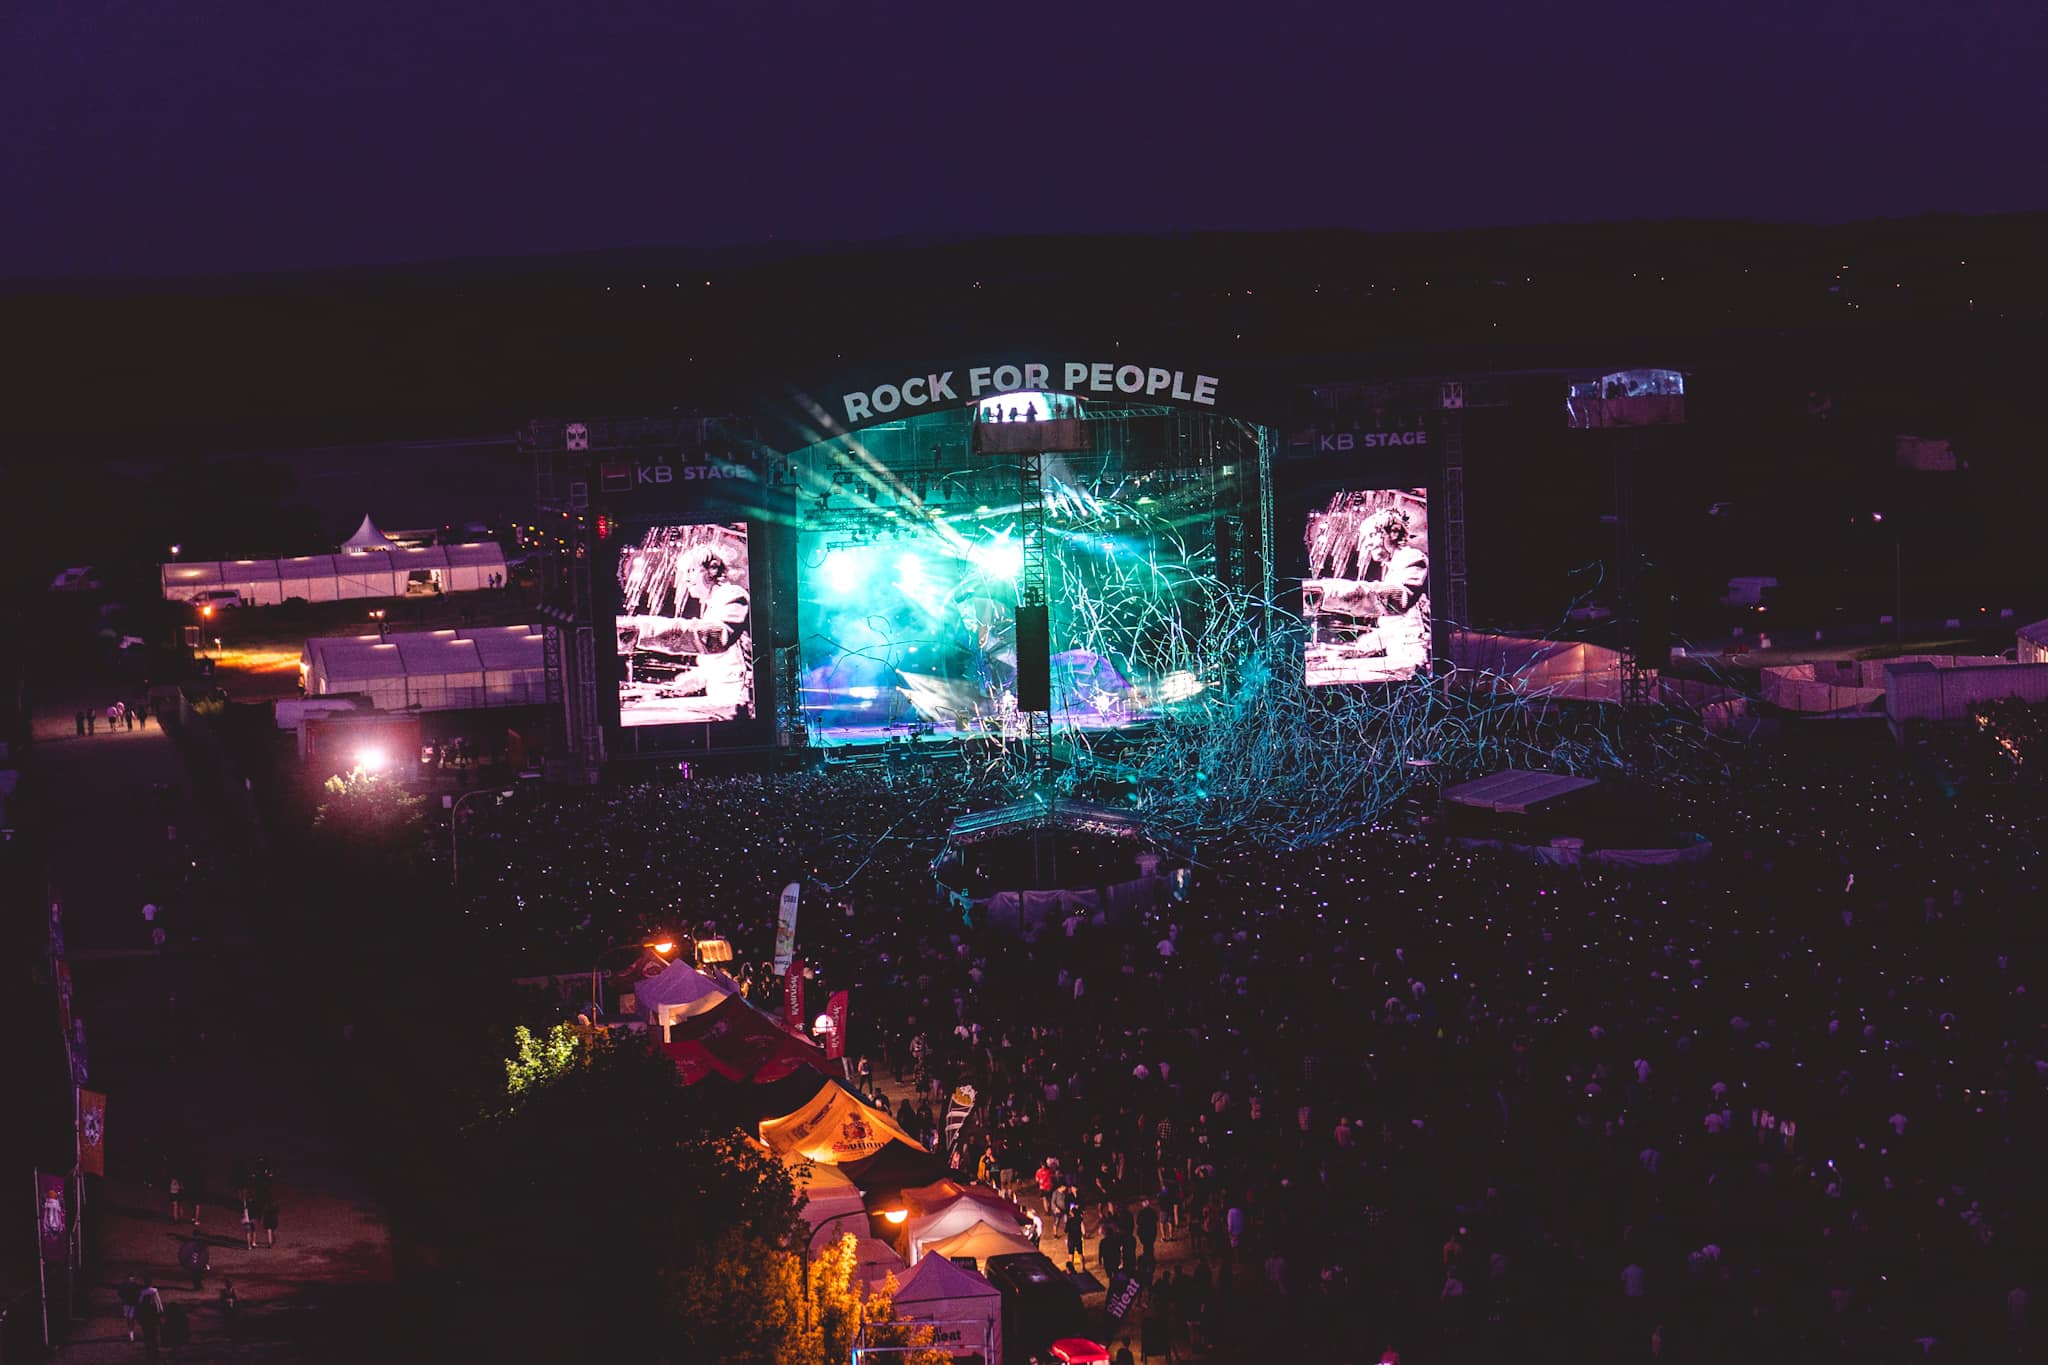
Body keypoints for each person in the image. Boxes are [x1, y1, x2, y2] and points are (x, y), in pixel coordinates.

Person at [137, 1278, 165, 1360]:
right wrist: (161, 1311)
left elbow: (139, 1303)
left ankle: (148, 1352)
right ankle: (155, 1352)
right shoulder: (154, 1291)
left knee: (147, 1336)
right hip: (153, 1319)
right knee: (154, 1335)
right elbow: (158, 1302)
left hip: (146, 1320)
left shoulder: (143, 1292)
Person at [179, 1223, 209, 1290]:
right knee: (197, 1274)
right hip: (197, 1260)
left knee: (196, 1274)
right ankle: (198, 1286)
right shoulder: (198, 1242)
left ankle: (198, 1286)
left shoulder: (193, 1242)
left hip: (195, 1260)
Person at [118, 1274, 142, 1341]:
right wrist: (123, 1298)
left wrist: (137, 1300)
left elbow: (139, 1293)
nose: (131, 1280)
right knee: (127, 1318)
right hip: (126, 1304)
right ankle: (130, 1331)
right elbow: (119, 1293)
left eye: (132, 1279)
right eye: (130, 1279)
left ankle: (131, 1333)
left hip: (133, 1304)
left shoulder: (136, 1286)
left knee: (131, 1318)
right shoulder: (124, 1285)